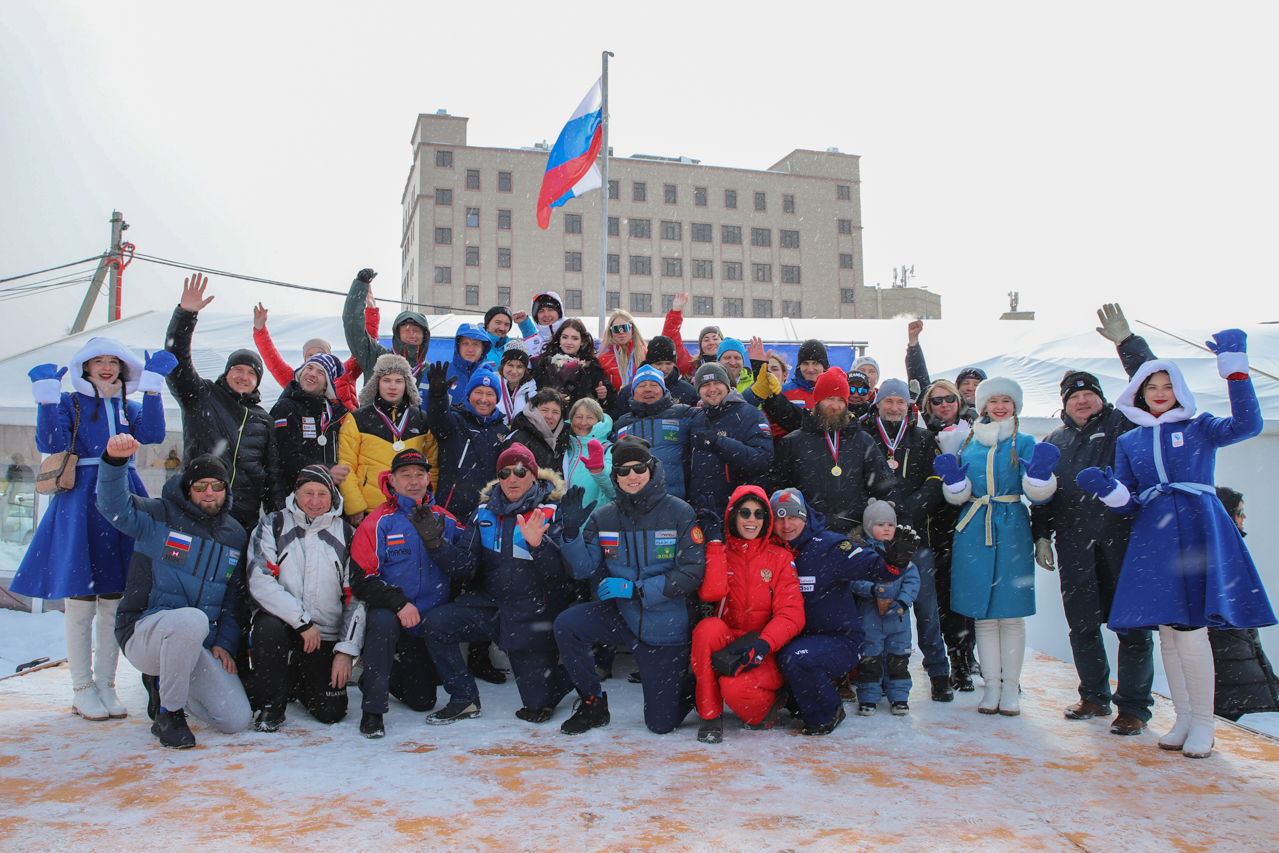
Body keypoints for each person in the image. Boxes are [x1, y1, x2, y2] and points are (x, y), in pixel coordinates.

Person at [1076, 336, 1275, 759]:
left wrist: (1236, 372)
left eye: (1167, 386)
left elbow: (1248, 425)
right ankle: (1184, 718)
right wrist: (1110, 491)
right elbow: (1130, 500)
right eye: (1152, 387)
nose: (1160, 393)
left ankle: (1204, 723)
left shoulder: (1200, 426)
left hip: (1198, 529)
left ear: (1179, 389)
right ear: (1140, 394)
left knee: (1192, 632)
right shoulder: (1131, 441)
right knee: (1168, 632)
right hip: (1154, 538)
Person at [12, 339, 171, 722]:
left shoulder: (127, 405)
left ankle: (106, 684)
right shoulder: (71, 403)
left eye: (113, 361)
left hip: (122, 498)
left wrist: (152, 388)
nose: (105, 367)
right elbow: (50, 442)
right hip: (81, 500)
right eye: (97, 360)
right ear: (84, 367)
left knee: (114, 600)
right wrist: (46, 400)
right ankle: (82, 689)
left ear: (123, 367)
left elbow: (153, 434)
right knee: (81, 601)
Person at [1031, 351, 1162, 735]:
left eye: (1089, 394)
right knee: (1082, 625)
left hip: (1123, 543)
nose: (1082, 400)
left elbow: (1149, 386)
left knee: (1132, 627)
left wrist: (1128, 345)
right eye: (1074, 396)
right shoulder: (1054, 440)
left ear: (1102, 398)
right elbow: (1042, 493)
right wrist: (1042, 535)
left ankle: (1134, 707)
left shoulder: (1123, 424)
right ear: (1065, 404)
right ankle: (1093, 696)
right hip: (1075, 546)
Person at [99, 437, 252, 748]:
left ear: (226, 489)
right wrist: (115, 462)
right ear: (187, 488)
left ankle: (168, 685)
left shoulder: (234, 534)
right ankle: (169, 713)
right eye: (200, 486)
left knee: (235, 719)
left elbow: (233, 598)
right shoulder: (159, 515)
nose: (209, 492)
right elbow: (114, 506)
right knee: (192, 620)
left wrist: (224, 642)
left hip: (194, 643)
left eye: (217, 485)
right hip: (144, 633)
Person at [553, 436, 705, 735]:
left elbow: (692, 572)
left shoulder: (679, 512)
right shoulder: (604, 516)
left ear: (652, 469)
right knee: (567, 624)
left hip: (664, 626)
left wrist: (637, 589)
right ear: (616, 475)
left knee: (660, 725)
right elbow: (581, 569)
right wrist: (570, 533)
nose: (632, 476)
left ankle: (689, 685)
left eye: (639, 468)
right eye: (623, 470)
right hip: (622, 614)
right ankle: (592, 703)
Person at [421, 443, 576, 724]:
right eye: (504, 473)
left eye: (520, 471)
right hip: (491, 607)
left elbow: (561, 574)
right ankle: (464, 698)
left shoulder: (553, 510)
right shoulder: (484, 511)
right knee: (436, 623)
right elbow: (463, 566)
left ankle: (574, 672)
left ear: (533, 475)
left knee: (536, 707)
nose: (511, 478)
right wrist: (435, 543)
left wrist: (539, 545)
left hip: (533, 616)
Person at [934, 377, 1060, 716]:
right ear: (983, 405)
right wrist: (955, 484)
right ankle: (990, 686)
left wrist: (1039, 479)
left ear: (1015, 405)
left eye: (1006, 400)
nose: (1000, 406)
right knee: (983, 615)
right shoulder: (969, 442)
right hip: (974, 528)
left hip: (1011, 528)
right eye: (993, 401)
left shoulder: (1025, 442)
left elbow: (1037, 493)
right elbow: (959, 494)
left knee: (1011, 614)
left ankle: (1010, 686)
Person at [773, 489, 918, 735]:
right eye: (780, 518)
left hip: (837, 640)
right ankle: (793, 699)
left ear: (805, 516)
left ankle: (827, 713)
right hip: (786, 637)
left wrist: (894, 564)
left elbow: (873, 568)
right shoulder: (769, 549)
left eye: (794, 516)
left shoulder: (830, 546)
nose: (787, 525)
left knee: (796, 658)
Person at [348, 449, 470, 738]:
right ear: (391, 480)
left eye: (419, 474)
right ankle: (373, 711)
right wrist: (398, 602)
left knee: (423, 700)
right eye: (405, 475)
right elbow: (361, 579)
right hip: (392, 612)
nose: (413, 481)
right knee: (381, 622)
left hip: (428, 620)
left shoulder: (445, 520)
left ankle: (379, 677)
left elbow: (469, 558)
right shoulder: (377, 521)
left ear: (428, 479)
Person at [246, 466, 365, 731]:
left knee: (331, 711)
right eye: (308, 492)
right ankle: (270, 705)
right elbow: (260, 580)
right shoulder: (273, 524)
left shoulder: (347, 534)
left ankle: (296, 678)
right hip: (284, 625)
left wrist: (345, 650)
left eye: (322, 494)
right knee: (267, 629)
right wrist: (301, 621)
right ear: (296, 494)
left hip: (324, 634)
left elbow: (357, 598)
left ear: (333, 496)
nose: (315, 501)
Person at [165, 274, 286, 534]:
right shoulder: (202, 395)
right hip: (197, 508)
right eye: (238, 369)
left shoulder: (263, 419)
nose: (243, 376)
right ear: (227, 372)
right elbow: (177, 363)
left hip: (241, 520)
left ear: (257, 381)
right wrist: (186, 315)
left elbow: (272, 475)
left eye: (251, 373)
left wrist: (278, 520)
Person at [691, 485, 805, 743]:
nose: (751, 519)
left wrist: (763, 644)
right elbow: (711, 593)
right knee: (707, 629)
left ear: (766, 519)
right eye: (745, 512)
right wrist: (715, 544)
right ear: (733, 516)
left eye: (759, 513)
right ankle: (710, 715)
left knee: (735, 688)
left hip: (765, 649)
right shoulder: (720, 552)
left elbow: (792, 614)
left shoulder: (780, 557)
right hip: (730, 644)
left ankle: (771, 703)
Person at [863, 378, 949, 701]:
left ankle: (938, 671)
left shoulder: (923, 438)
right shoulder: (866, 436)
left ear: (908, 406)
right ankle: (878, 674)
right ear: (878, 404)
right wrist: (882, 512)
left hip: (916, 535)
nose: (894, 407)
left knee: (925, 606)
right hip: (877, 538)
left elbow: (935, 481)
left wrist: (907, 509)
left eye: (900, 402)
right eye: (888, 401)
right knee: (875, 606)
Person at [767, 367, 897, 535]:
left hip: (855, 536)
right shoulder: (793, 442)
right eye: (829, 398)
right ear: (817, 401)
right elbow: (776, 490)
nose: (835, 406)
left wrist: (900, 524)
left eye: (841, 400)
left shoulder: (863, 440)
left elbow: (885, 488)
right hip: (807, 534)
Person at [921, 377, 979, 690]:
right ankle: (956, 660)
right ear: (928, 405)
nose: (944, 405)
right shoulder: (922, 435)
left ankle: (970, 655)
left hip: (971, 519)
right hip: (937, 524)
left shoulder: (976, 431)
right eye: (937, 400)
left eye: (949, 399)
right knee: (945, 595)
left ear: (959, 401)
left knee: (971, 591)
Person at [337, 354, 436, 526]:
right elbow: (346, 465)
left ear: (407, 384)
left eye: (399, 381)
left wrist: (429, 502)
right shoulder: (357, 419)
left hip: (412, 508)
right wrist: (354, 505)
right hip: (369, 510)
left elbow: (432, 467)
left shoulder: (423, 419)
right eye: (386, 380)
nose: (392, 386)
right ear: (376, 383)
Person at [1208, 486, 1279, 722]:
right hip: (1230, 660)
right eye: (1239, 512)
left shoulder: (1225, 548)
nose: (1244, 517)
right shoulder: (1222, 552)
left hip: (1236, 657)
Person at [852, 499, 920, 716]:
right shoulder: (862, 555)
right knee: (870, 661)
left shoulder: (903, 554)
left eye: (890, 525)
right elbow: (854, 581)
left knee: (898, 660)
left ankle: (899, 697)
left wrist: (903, 601)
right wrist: (871, 589)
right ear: (868, 527)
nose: (887, 529)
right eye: (880, 525)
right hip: (870, 618)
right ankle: (868, 698)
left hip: (898, 620)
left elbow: (912, 580)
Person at [253, 296, 373, 412]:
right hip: (314, 426)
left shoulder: (346, 371)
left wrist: (371, 310)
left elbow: (365, 348)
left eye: (320, 354)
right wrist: (260, 331)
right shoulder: (300, 380)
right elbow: (274, 362)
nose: (316, 358)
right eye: (310, 355)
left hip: (350, 425)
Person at [425, 363, 508, 520]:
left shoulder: (503, 431)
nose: (483, 399)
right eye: (478, 392)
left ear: (497, 398)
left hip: (487, 511)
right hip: (451, 510)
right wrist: (437, 397)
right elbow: (437, 421)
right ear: (469, 395)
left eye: (490, 394)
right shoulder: (454, 420)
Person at [688, 363, 774, 513]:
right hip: (701, 510)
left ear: (728, 386)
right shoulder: (696, 419)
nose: (712, 389)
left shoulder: (750, 414)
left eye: (717, 383)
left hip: (738, 511)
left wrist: (719, 444)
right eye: (706, 385)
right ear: (698, 391)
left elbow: (762, 460)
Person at [342, 268, 432, 400]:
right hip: (374, 414)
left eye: (417, 331)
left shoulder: (431, 372)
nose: (412, 335)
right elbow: (353, 328)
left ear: (425, 336)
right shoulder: (376, 357)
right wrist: (360, 286)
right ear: (397, 334)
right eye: (406, 330)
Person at [612, 365, 695, 501]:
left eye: (654, 384)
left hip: (675, 500)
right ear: (633, 392)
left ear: (663, 390)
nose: (648, 389)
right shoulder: (621, 423)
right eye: (641, 385)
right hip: (634, 501)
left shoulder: (683, 413)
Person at [270, 353, 351, 487]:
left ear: (326, 385)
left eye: (320, 372)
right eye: (309, 368)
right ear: (300, 374)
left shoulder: (334, 414)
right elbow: (286, 458)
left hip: (327, 491)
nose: (312, 374)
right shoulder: (286, 407)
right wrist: (326, 471)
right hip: (295, 492)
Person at [530, 319, 614, 411]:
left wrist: (604, 396)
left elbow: (609, 401)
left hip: (581, 418)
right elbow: (531, 395)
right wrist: (548, 397)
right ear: (559, 339)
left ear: (582, 341)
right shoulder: (544, 365)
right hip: (549, 417)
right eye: (565, 337)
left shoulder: (592, 368)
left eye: (575, 338)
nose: (569, 342)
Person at [611, 335, 698, 415]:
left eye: (668, 363)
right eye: (658, 364)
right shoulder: (628, 392)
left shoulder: (688, 391)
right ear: (649, 363)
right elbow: (617, 420)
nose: (664, 368)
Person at [562, 398, 615, 509]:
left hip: (596, 518)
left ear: (599, 421)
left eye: (590, 417)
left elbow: (614, 491)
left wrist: (599, 471)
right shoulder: (564, 448)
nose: (583, 423)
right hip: (564, 519)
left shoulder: (609, 450)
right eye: (578, 417)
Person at [503, 388, 571, 472]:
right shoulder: (518, 439)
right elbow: (511, 475)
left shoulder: (565, 440)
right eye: (544, 410)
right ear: (533, 410)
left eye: (555, 412)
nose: (549, 416)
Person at [659, 292, 719, 378]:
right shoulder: (691, 366)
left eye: (715, 338)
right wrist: (675, 312)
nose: (711, 342)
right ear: (700, 345)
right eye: (706, 340)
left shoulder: (731, 363)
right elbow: (670, 341)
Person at [440, 324, 494, 407]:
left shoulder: (490, 376)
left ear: (483, 348)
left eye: (475, 344)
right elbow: (425, 409)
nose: (470, 349)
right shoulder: (441, 373)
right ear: (458, 346)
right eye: (465, 343)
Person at [597, 309, 648, 392]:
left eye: (625, 327)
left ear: (632, 329)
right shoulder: (602, 360)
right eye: (616, 328)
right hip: (615, 400)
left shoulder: (645, 355)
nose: (621, 332)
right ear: (610, 332)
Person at [494, 339, 536, 420]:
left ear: (525, 369)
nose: (514, 371)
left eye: (520, 367)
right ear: (503, 365)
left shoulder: (530, 390)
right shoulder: (491, 385)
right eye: (510, 365)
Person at [518, 291, 566, 358]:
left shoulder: (573, 338)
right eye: (541, 311)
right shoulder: (527, 344)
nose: (546, 315)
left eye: (550, 309)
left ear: (559, 313)